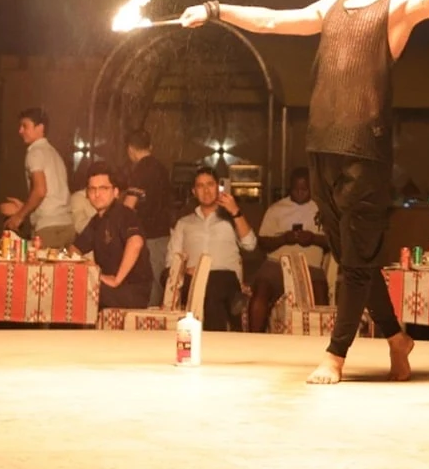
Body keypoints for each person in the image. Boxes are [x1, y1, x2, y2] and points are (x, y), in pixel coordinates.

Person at [183, 0, 429, 384]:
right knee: (357, 257)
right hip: (321, 148)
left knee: (353, 264)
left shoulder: (397, 7)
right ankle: (398, 338)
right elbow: (270, 20)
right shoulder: (330, 7)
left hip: (365, 152)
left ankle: (335, 355)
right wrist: (214, 10)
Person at [166, 168, 258, 330]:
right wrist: (185, 270)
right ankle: (216, 340)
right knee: (202, 287)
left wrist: (235, 212)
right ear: (194, 192)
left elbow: (250, 244)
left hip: (226, 280)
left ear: (218, 188)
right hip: (193, 280)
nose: (206, 190)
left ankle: (213, 340)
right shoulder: (184, 223)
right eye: (200, 186)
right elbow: (171, 260)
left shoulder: (231, 218)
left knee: (216, 283)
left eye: (210, 184)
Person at [246, 167, 331, 332]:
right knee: (260, 292)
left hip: (310, 266)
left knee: (321, 294)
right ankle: (254, 338)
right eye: (296, 189)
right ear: (289, 188)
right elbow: (262, 243)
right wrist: (284, 238)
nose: (300, 193)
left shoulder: (322, 210)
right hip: (276, 264)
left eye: (304, 189)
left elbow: (334, 242)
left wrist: (313, 238)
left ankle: (322, 340)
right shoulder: (276, 209)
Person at [0, 108, 74, 250]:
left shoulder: (34, 152)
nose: (20, 131)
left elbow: (40, 191)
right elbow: (52, 195)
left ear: (40, 128)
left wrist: (19, 216)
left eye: (25, 126)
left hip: (49, 229)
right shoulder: (54, 153)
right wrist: (25, 207)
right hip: (67, 226)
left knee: (39, 271)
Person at [75, 168, 149, 309]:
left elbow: (136, 242)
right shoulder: (97, 220)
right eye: (92, 189)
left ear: (115, 192)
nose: (97, 194)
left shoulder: (124, 214)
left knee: (78, 292)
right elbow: (76, 248)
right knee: (71, 286)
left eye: (103, 188)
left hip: (131, 290)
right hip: (109, 288)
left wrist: (116, 279)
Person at [121, 131, 174, 302]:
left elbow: (128, 206)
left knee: (150, 286)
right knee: (159, 282)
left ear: (130, 149)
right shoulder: (162, 168)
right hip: (164, 234)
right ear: (150, 146)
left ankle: (149, 324)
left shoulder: (141, 169)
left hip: (149, 236)